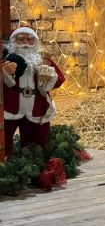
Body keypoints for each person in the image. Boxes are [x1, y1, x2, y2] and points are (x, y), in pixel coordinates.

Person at [2, 27, 65, 159]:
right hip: (11, 107)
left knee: (37, 142)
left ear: (35, 42)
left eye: (29, 39)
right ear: (13, 42)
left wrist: (49, 78)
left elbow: (60, 78)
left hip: (36, 107)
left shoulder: (43, 60)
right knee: (3, 139)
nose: (25, 42)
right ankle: (4, 162)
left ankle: (32, 163)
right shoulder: (6, 59)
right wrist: (5, 74)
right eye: (21, 39)